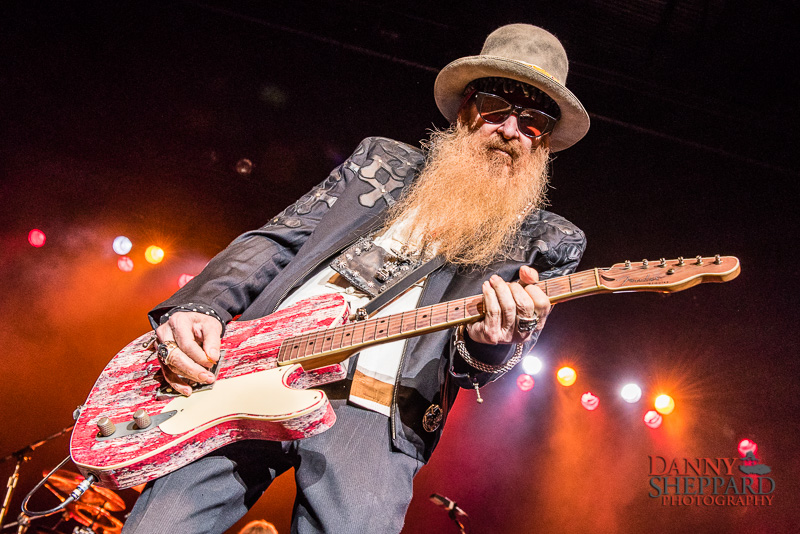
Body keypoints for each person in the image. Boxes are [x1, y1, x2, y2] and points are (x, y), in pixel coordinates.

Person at [121, 23, 589, 534]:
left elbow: (478, 367)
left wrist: (491, 342)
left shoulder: (548, 240)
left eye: (534, 122)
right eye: (496, 108)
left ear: (545, 142)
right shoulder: (379, 161)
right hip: (254, 369)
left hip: (376, 411)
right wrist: (202, 305)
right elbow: (277, 239)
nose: (511, 129)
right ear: (465, 110)